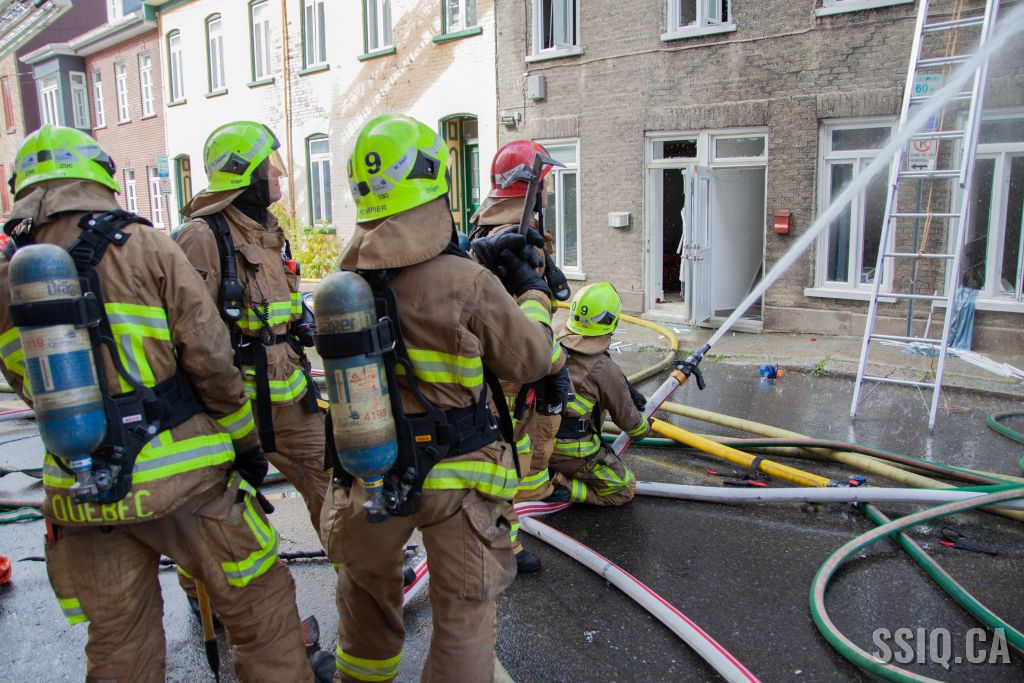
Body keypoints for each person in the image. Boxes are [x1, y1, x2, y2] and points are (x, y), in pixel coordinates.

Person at [0, 124, 312, 680]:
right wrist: (243, 445)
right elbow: (211, 358)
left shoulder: (10, 275)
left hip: (81, 488)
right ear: (98, 178)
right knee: (263, 615)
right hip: (184, 481)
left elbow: (26, 381)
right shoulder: (145, 246)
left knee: (120, 649)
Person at [317, 114, 558, 682]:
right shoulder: (466, 282)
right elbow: (531, 360)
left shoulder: (346, 285)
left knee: (366, 601)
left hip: (372, 473)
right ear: (433, 180)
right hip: (459, 479)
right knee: (463, 615)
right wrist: (533, 294)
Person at [175, 121, 330, 541]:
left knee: (332, 483)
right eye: (268, 165)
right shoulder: (202, 236)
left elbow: (280, 307)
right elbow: (189, 333)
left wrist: (303, 320)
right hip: (233, 406)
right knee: (222, 512)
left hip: (289, 397)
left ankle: (357, 568)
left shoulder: (269, 232)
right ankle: (218, 579)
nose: (277, 173)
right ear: (243, 173)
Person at [469, 139, 571, 573]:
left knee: (511, 455)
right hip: (507, 375)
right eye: (545, 183)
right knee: (504, 459)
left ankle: (505, 531)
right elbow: (524, 333)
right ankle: (500, 548)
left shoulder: (489, 228)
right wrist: (557, 365)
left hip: (496, 371)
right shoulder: (514, 240)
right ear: (532, 187)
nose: (548, 191)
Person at [550, 282, 651, 505]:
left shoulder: (554, 341)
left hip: (539, 442)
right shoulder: (603, 368)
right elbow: (630, 424)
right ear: (612, 321)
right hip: (571, 452)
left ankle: (545, 474)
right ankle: (559, 485)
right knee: (624, 489)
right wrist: (645, 427)